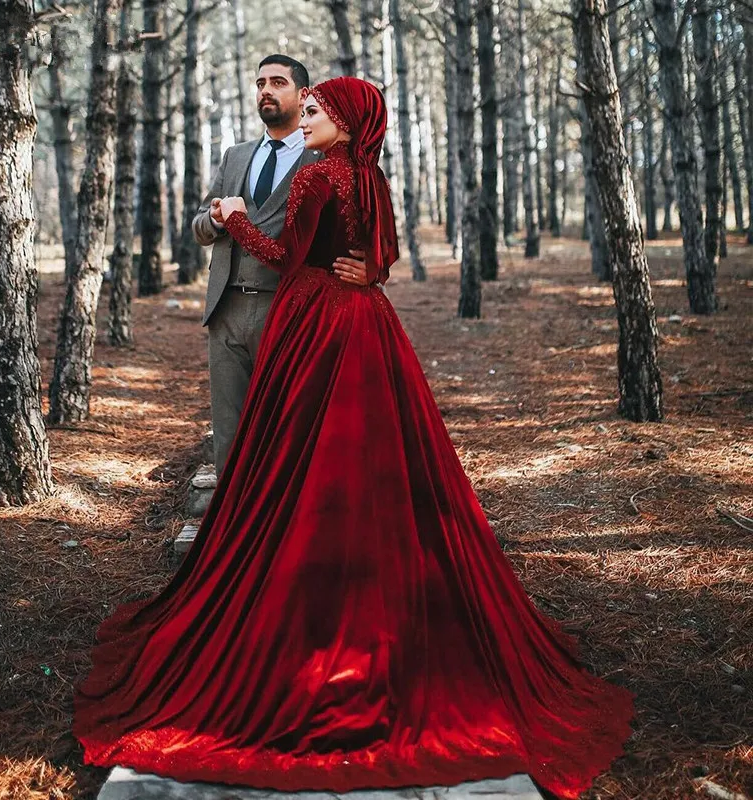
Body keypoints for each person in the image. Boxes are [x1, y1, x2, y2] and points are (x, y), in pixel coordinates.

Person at [73, 77, 633, 800]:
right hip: (369, 323)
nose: (304, 120)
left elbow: (281, 258)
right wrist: (373, 271)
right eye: (302, 109)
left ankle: (308, 585)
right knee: (377, 458)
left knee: (298, 459)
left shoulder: (317, 179)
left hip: (313, 321)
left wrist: (239, 219)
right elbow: (387, 252)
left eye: (315, 111)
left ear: (343, 120)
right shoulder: (371, 176)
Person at [192, 54, 370, 476]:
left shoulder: (324, 157)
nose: (266, 90)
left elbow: (361, 230)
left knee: (290, 425)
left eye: (277, 82)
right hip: (226, 309)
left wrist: (374, 269)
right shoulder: (235, 156)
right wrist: (216, 219)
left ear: (303, 93)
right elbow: (200, 225)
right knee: (229, 431)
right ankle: (230, 528)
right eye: (259, 83)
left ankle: (284, 528)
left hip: (290, 308)